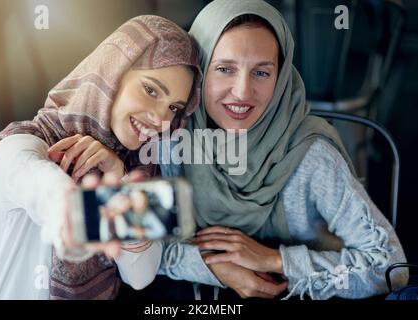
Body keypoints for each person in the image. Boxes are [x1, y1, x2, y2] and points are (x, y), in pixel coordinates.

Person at [150, 0, 408, 300]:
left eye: (261, 73)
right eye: (224, 69)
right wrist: (215, 268)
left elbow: (390, 267)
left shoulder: (311, 154)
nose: (243, 92)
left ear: (282, 76)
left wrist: (275, 260)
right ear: (200, 70)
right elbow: (143, 249)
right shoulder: (173, 138)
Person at [0, 15, 201, 300]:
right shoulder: (21, 144)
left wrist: (119, 179)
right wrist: (76, 213)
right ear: (111, 74)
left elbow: (141, 276)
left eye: (174, 108)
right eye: (150, 90)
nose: (160, 119)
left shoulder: (136, 169)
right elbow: (41, 186)